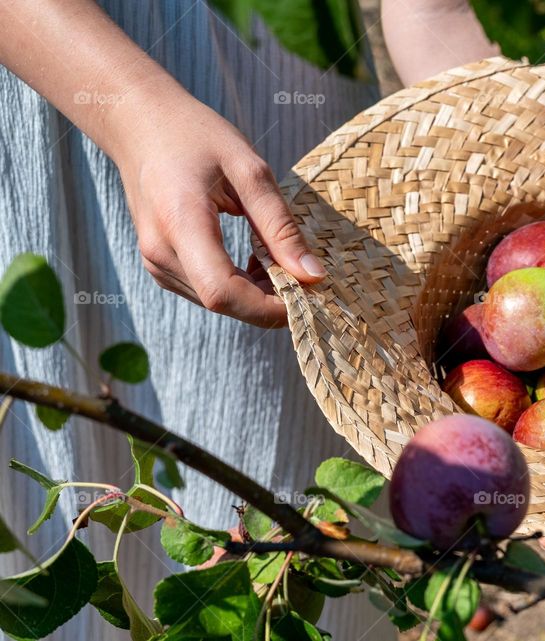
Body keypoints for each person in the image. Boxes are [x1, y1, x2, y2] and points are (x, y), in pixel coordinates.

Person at [0, 1, 495, 639]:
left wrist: (483, 120)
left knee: (290, 521)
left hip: (276, 80)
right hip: (47, 60)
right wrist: (133, 110)